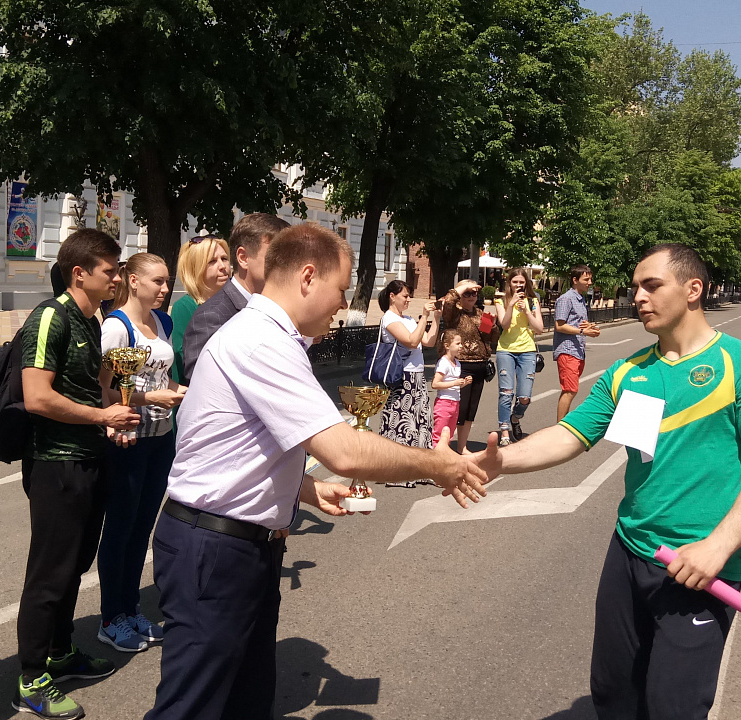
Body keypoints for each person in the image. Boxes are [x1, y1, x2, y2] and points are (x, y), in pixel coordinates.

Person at [143, 223, 488, 720]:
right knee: (192, 707)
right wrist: (438, 463)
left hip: (241, 545)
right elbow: (344, 451)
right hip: (216, 548)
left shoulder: (275, 337)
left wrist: (303, 489)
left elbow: (241, 447)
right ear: (308, 277)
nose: (343, 305)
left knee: (244, 700)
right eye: (341, 289)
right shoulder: (261, 340)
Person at [468, 243, 741, 720]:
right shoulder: (629, 371)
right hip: (628, 553)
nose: (638, 296)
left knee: (673, 706)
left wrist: (718, 547)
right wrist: (499, 462)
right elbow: (570, 435)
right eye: (635, 287)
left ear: (693, 290)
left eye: (652, 285)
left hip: (699, 566)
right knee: (612, 692)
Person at [13, 229, 141, 719]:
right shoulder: (52, 316)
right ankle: (31, 678)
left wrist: (112, 417)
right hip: (56, 464)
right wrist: (102, 416)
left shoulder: (93, 320)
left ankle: (60, 652)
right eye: (110, 270)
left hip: (89, 459)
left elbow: (89, 392)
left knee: (74, 566)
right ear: (79, 273)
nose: (117, 278)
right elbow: (37, 397)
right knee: (49, 574)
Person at [95, 252, 187, 653]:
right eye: (157, 281)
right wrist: (151, 398)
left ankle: (131, 608)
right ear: (133, 281)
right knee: (120, 527)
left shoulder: (162, 322)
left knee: (141, 528)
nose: (165, 289)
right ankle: (110, 618)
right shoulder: (117, 327)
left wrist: (183, 392)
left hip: (160, 438)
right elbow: (104, 388)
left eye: (167, 281)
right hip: (128, 440)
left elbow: (164, 377)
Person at [182, 213, 291, 380]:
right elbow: (202, 381)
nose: (286, 265)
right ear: (243, 258)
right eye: (276, 256)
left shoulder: (278, 308)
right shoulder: (210, 316)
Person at [377, 279, 440, 484]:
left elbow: (428, 341)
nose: (408, 299)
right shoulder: (389, 319)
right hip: (402, 378)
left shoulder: (409, 319)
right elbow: (412, 342)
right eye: (405, 296)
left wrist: (436, 318)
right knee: (402, 423)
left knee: (421, 421)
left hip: (417, 376)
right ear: (392, 296)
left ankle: (419, 471)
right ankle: (398, 472)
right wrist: (424, 316)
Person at [439, 279, 502, 452]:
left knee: (470, 411)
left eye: (474, 293)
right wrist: (463, 287)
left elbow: (492, 338)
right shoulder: (454, 313)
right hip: (462, 365)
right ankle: (445, 445)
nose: (472, 296)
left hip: (480, 364)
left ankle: (462, 446)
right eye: (467, 293)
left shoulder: (480, 313)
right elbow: (448, 302)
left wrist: (493, 326)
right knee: (459, 408)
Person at [171, 235, 230, 385]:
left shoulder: (238, 302)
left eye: (224, 258)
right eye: (212, 261)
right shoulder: (184, 307)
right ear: (196, 268)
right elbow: (185, 357)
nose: (222, 266)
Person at [496, 268, 545, 445]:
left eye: (521, 282)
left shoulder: (533, 301)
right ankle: (504, 431)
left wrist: (527, 311)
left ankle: (515, 417)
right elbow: (505, 325)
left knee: (524, 397)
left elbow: (539, 329)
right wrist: (511, 305)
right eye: (515, 282)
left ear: (526, 283)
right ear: (509, 283)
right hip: (506, 350)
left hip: (527, 350)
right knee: (506, 393)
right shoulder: (501, 301)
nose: (518, 285)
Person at [554, 265, 602, 421]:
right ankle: (560, 427)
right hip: (567, 350)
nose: (590, 282)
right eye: (586, 279)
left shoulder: (581, 299)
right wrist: (582, 331)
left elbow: (578, 323)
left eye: (590, 279)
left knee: (571, 389)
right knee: (570, 389)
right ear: (575, 280)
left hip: (578, 350)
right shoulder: (566, 299)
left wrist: (590, 327)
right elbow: (559, 325)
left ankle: (563, 423)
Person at [432, 330, 472, 443]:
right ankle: (436, 453)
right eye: (458, 343)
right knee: (440, 433)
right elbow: (435, 384)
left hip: (455, 402)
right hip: (444, 403)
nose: (461, 346)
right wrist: (454, 383)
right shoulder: (443, 362)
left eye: (461, 343)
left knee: (449, 433)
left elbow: (455, 386)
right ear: (447, 346)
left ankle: (446, 452)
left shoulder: (457, 363)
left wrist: (464, 383)